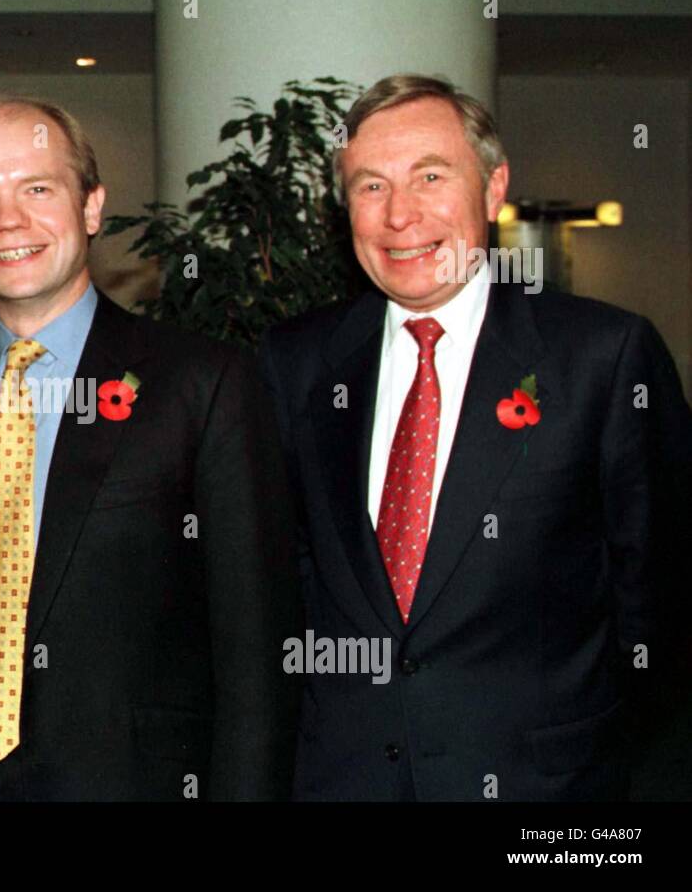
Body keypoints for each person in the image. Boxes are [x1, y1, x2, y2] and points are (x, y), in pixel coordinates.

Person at [0, 95, 300, 801]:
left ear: (91, 207)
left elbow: (255, 658)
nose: (9, 221)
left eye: (37, 188)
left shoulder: (204, 384)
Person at [259, 74, 692, 801]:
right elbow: (287, 583)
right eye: (371, 186)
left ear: (493, 188)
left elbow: (663, 613)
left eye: (431, 175)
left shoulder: (602, 358)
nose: (401, 214)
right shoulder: (295, 362)